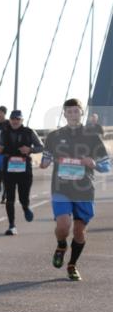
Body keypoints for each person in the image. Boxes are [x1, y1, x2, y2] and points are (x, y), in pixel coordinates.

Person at [39, 98, 111, 281]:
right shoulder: (54, 137)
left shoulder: (92, 137)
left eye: (76, 111)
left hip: (85, 190)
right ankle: (61, 245)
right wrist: (44, 162)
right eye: (69, 112)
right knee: (63, 226)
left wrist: (93, 163)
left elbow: (106, 166)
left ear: (81, 113)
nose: (72, 114)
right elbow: (45, 159)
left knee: (79, 232)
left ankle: (72, 265)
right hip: (61, 188)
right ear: (64, 114)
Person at [0, 110, 42, 235]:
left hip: (24, 168)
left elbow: (41, 146)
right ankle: (12, 225)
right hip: (9, 168)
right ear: (10, 120)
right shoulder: (4, 133)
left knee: (23, 197)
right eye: (13, 119)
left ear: (22, 120)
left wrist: (30, 149)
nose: (15, 121)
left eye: (17, 119)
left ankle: (25, 207)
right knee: (10, 198)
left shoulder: (29, 132)